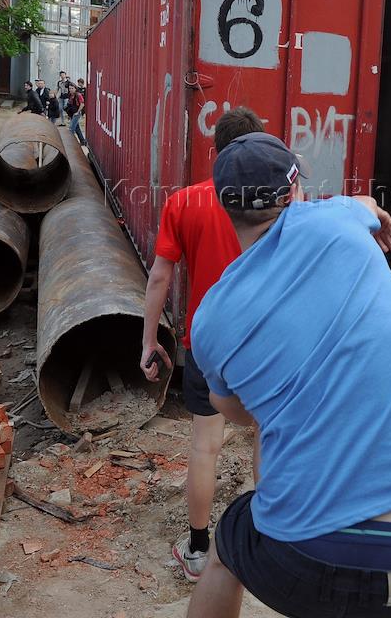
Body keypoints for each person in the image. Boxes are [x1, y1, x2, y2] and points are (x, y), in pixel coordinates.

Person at [185, 132, 391, 618]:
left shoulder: (211, 319)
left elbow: (238, 412)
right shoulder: (338, 222)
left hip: (314, 563)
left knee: (228, 547)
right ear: (295, 193)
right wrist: (377, 216)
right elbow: (360, 201)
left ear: (221, 205)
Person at [140, 107, 265, 582]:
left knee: (205, 447)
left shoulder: (185, 202)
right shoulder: (275, 203)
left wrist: (150, 340)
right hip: (266, 345)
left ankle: (196, 550)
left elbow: (160, 277)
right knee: (265, 436)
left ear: (215, 151)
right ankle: (267, 539)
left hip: (208, 344)